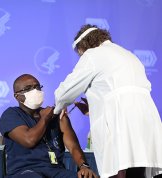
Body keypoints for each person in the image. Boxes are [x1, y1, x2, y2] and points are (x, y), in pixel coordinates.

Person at [53, 24, 162, 178]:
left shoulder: (92, 55)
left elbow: (66, 90)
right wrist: (95, 109)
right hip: (146, 118)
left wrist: (59, 106)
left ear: (83, 46)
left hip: (120, 120)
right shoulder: (129, 55)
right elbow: (120, 92)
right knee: (138, 166)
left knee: (117, 167)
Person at [0, 74, 99, 178]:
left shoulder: (57, 115)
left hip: (56, 171)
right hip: (24, 172)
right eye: (28, 88)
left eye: (37, 87)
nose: (35, 91)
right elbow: (29, 140)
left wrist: (84, 166)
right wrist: (45, 119)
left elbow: (73, 146)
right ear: (17, 96)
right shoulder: (11, 114)